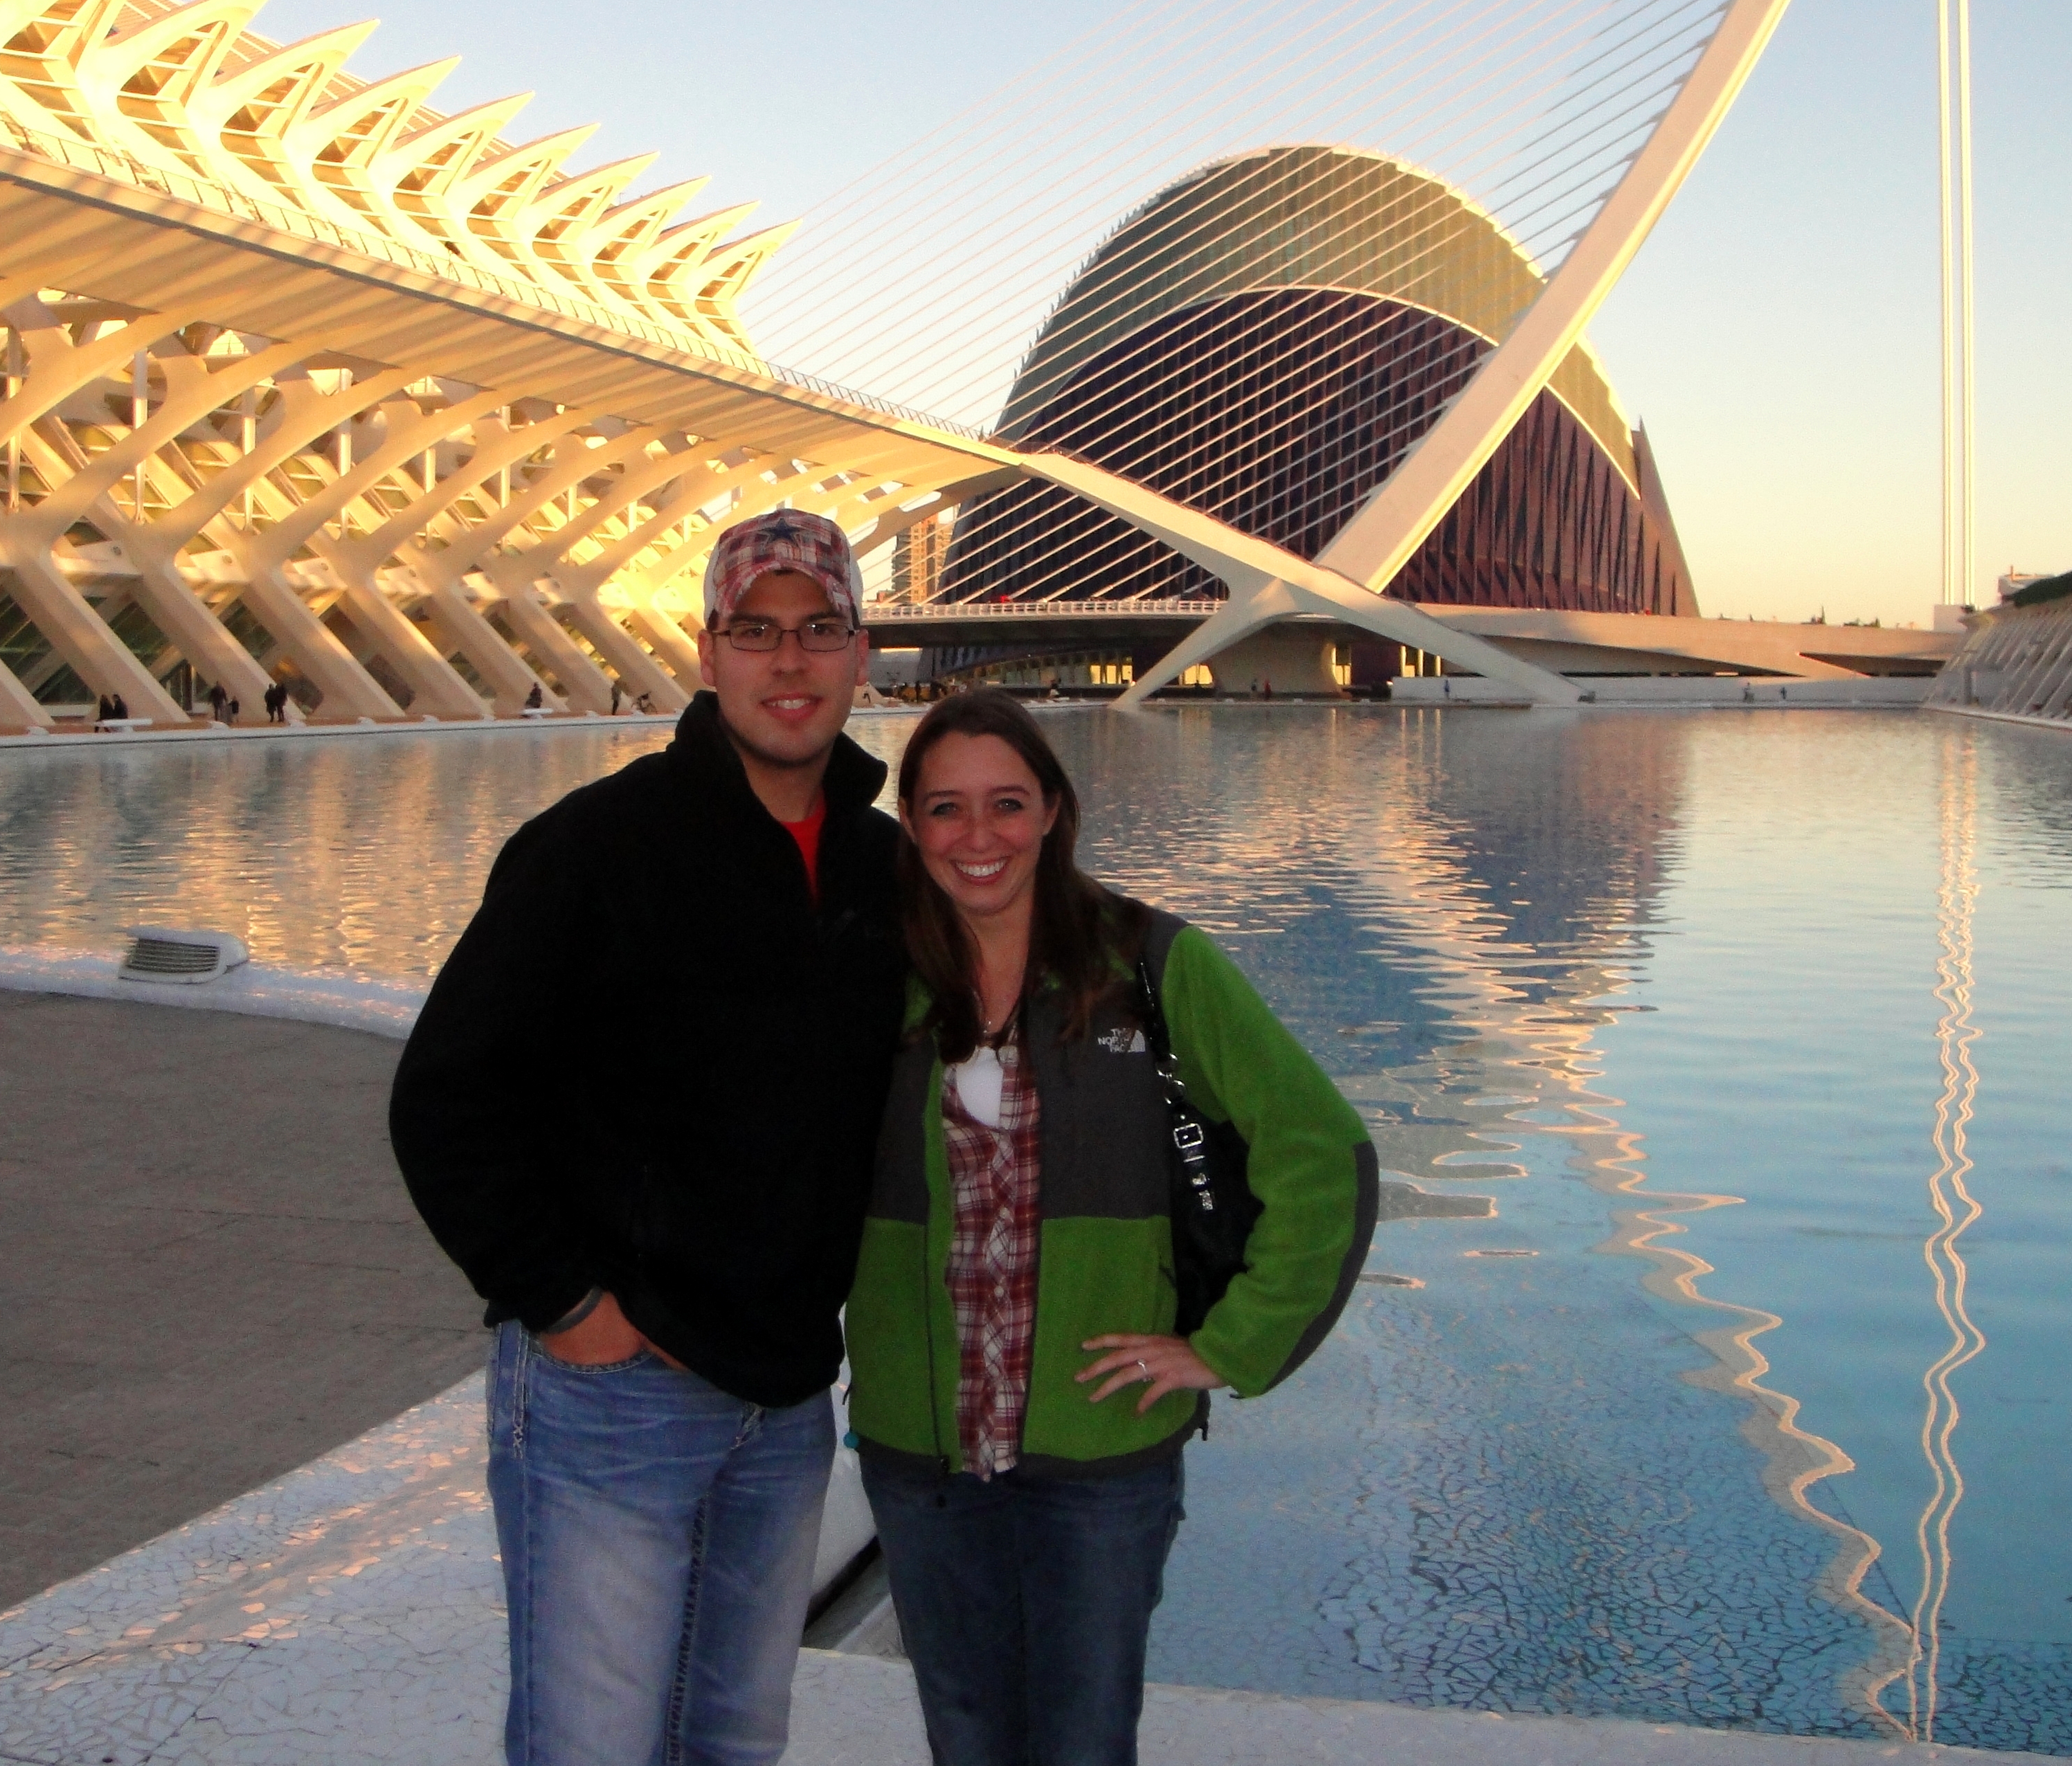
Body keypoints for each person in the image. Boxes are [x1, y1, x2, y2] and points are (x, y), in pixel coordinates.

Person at [390, 507, 905, 1766]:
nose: (790, 661)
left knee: (734, 1740)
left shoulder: (884, 867)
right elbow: (446, 1096)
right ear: (709, 653)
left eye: (818, 629)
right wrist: (569, 1306)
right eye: (756, 632)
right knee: (595, 1746)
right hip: (613, 1397)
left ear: (860, 653)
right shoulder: (595, 850)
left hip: (784, 1402)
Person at [845, 690, 1377, 1766]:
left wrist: (1230, 1345)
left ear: (1053, 810)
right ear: (913, 826)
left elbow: (1322, 1153)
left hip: (1099, 1452)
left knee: (1084, 1741)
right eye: (946, 807)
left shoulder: (1149, 966)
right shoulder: (872, 979)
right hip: (923, 1451)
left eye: (1007, 803)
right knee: (966, 1735)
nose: (979, 835)